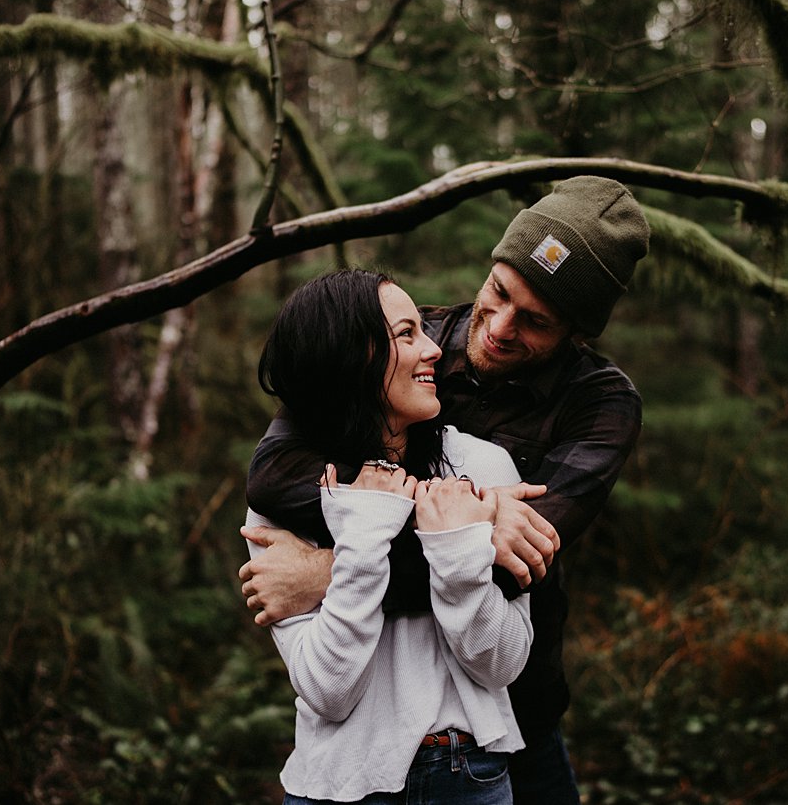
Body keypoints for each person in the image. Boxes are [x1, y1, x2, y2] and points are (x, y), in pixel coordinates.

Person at [242, 176, 649, 803]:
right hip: (369, 726)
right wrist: (472, 524)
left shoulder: (600, 405)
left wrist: (329, 573)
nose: (500, 327)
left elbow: (518, 565)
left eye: (535, 321)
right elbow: (275, 473)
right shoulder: (404, 341)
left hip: (514, 713)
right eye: (499, 292)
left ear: (576, 333)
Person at [246, 268, 534, 803]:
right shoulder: (287, 499)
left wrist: (457, 553)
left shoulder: (481, 467)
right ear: (349, 357)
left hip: (467, 775)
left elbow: (503, 662)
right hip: (335, 784)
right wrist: (364, 532)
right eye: (407, 334)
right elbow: (329, 691)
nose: (433, 350)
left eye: (423, 330)